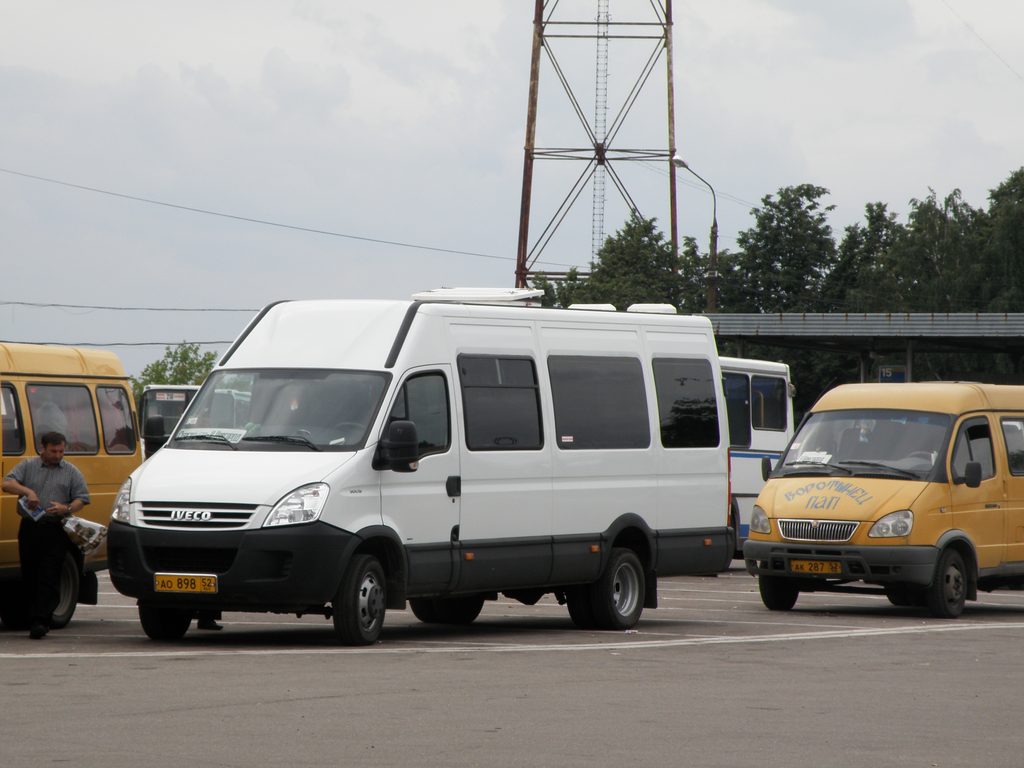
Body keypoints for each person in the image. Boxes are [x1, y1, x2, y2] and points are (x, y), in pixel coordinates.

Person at [1, 431, 90, 639]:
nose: (58, 455)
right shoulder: (28, 466)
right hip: (31, 528)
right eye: (53, 451)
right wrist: (27, 492)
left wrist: (66, 507)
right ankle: (32, 616)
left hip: (56, 529)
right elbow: (7, 483)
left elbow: (82, 498)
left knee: (49, 574)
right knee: (30, 572)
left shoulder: (71, 471)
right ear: (43, 448)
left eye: (61, 451)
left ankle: (42, 620)